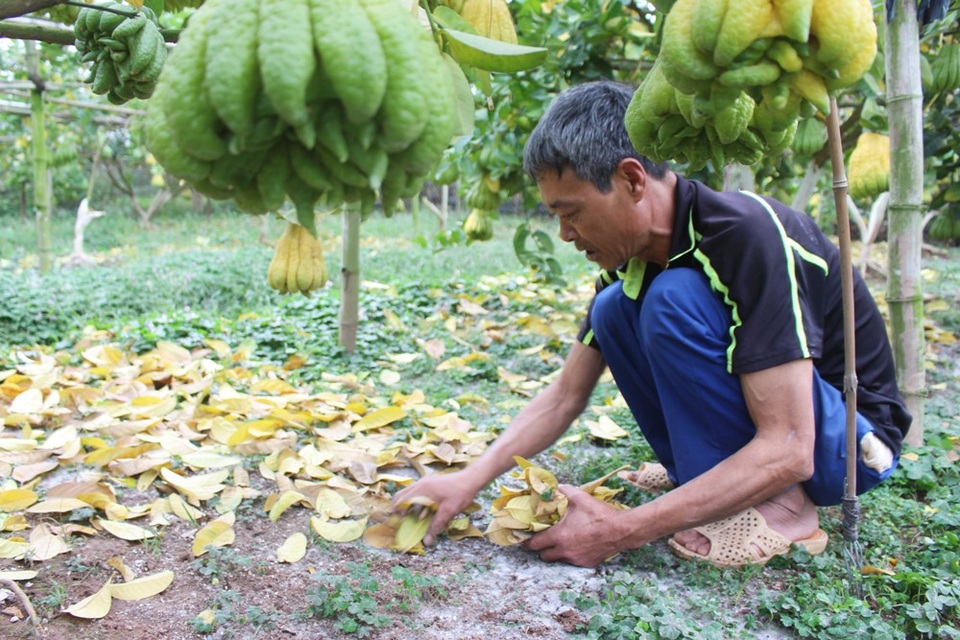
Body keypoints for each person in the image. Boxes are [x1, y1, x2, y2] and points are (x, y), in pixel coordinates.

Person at [393, 80, 912, 568]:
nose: (566, 234)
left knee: (671, 299)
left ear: (632, 179)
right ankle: (707, 479)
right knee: (615, 310)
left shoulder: (745, 235)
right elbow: (564, 396)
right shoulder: (631, 256)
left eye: (570, 213)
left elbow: (791, 447)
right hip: (798, 429)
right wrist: (471, 479)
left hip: (850, 444)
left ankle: (786, 512)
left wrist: (620, 531)